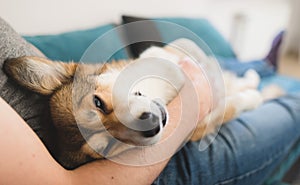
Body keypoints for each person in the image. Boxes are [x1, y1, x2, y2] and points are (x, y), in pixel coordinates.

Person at [1, 17, 300, 185]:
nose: (132, 124)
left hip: (104, 80)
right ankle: (263, 80)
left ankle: (261, 67)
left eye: (100, 105)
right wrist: (192, 102)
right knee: (293, 101)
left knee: (210, 49)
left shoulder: (86, 81)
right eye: (106, 144)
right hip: (141, 170)